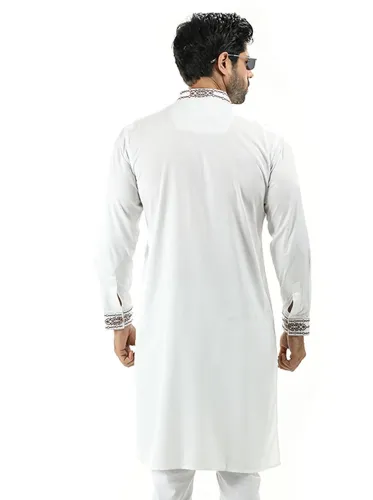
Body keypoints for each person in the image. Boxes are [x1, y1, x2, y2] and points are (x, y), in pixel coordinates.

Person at [94, 11, 311, 500]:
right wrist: (296, 324)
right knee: (241, 475)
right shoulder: (267, 145)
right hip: (244, 333)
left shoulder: (136, 139)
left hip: (168, 332)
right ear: (223, 62)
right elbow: (291, 240)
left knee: (169, 473)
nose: (251, 73)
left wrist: (118, 317)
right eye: (248, 63)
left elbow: (115, 237)